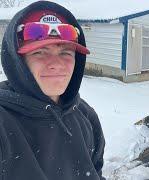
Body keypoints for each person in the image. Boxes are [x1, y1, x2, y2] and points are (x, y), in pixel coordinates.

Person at [0, 1, 105, 180]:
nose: (56, 64)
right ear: (19, 62)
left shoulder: (86, 116)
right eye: (40, 52)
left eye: (65, 52)